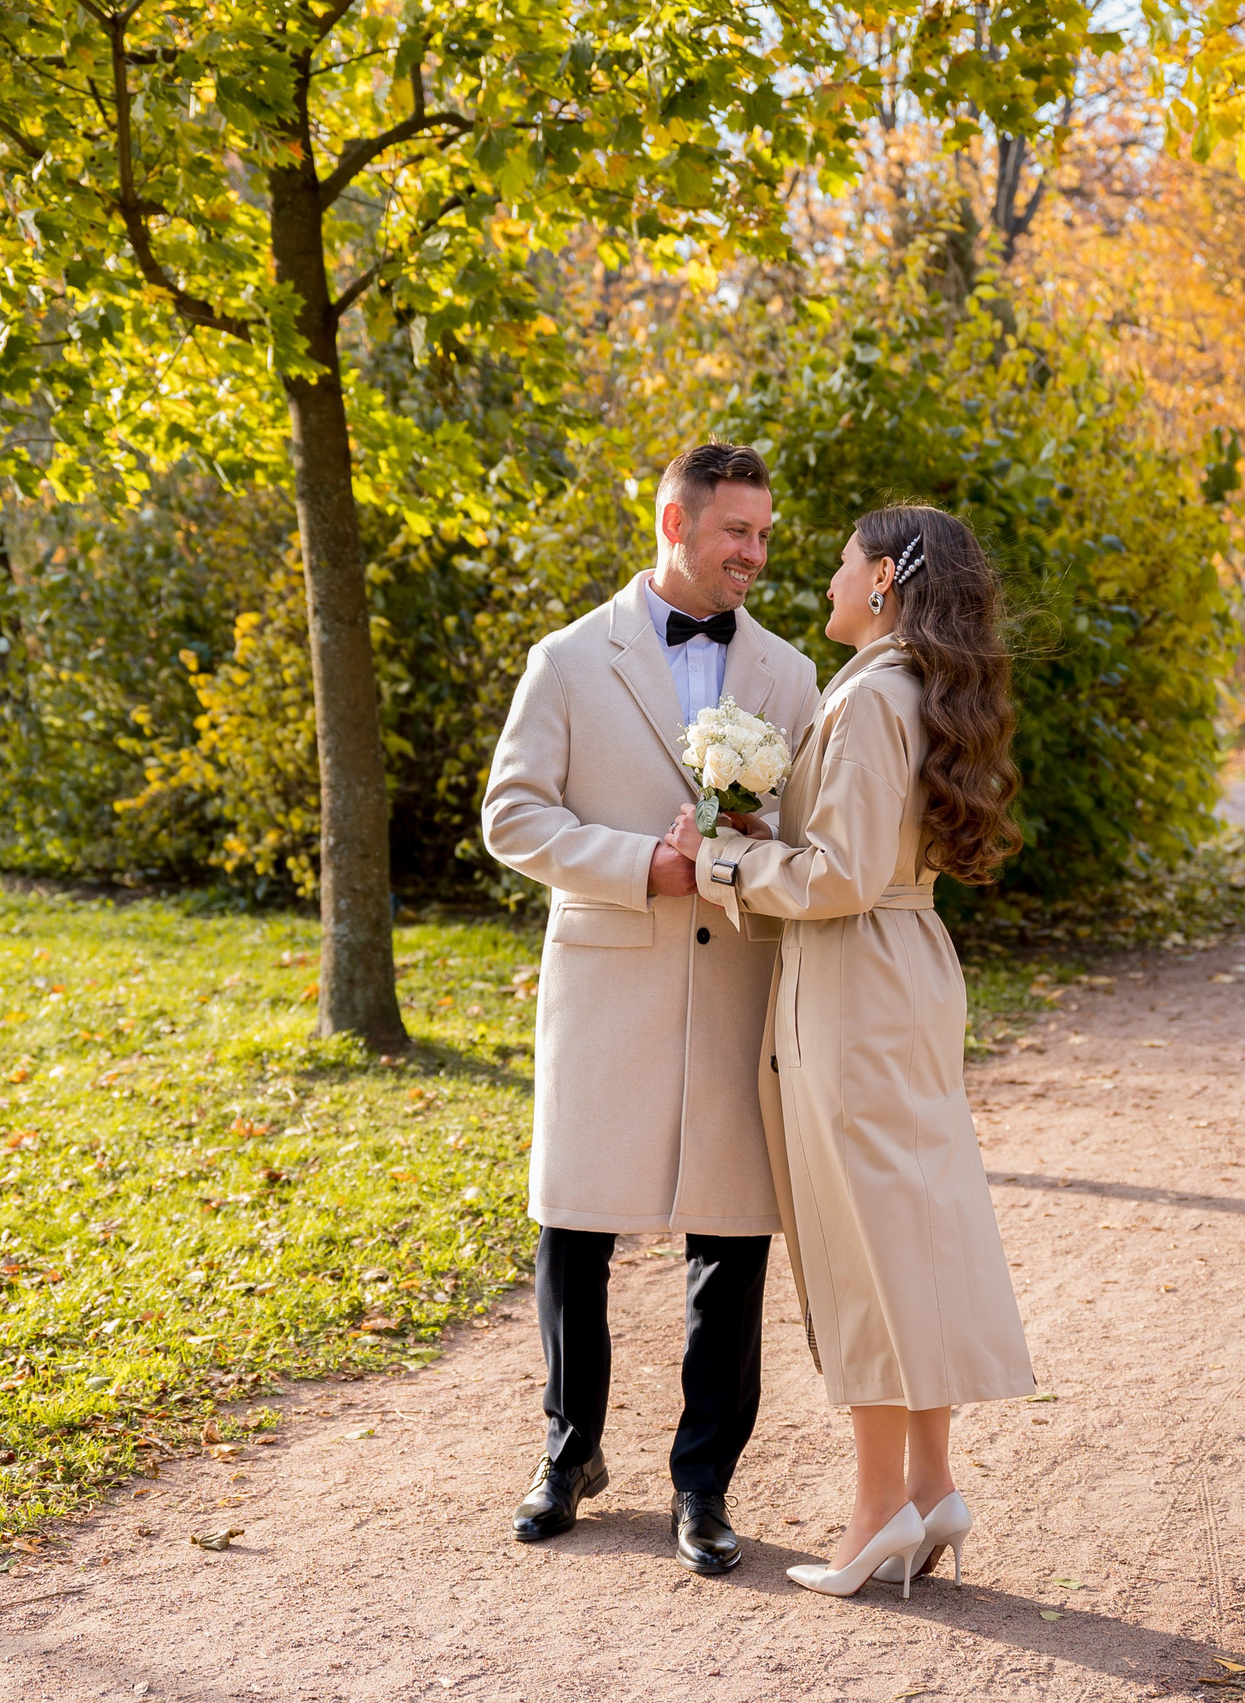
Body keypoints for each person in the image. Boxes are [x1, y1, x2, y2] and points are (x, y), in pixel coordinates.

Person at [665, 503, 1034, 1600]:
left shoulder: (873, 694)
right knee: (910, 1226)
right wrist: (767, 837)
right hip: (898, 966)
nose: (825, 578)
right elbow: (861, 853)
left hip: (856, 979)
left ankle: (879, 1509)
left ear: (882, 579)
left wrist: (724, 865)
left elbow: (843, 877)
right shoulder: (914, 686)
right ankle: (928, 1484)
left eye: (838, 562)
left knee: (861, 1238)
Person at [479, 442, 820, 1574]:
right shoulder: (570, 659)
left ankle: (703, 1482)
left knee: (731, 1238)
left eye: (765, 535)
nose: (755, 554)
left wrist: (757, 844)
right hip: (608, 973)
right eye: (737, 532)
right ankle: (567, 1451)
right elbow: (511, 815)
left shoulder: (789, 674)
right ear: (675, 523)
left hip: (737, 983)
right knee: (574, 1225)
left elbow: (811, 834)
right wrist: (640, 863)